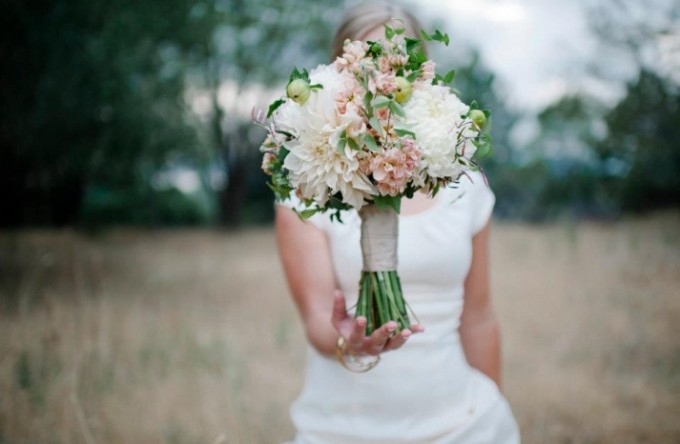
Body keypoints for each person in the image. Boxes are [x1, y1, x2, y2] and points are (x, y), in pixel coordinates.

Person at [275, 2, 520, 443]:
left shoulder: (464, 184)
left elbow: (479, 317)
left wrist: (492, 412)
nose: (381, 84)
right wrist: (351, 342)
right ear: (335, 76)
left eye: (397, 67)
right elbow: (316, 321)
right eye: (365, 66)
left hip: (461, 425)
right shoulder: (304, 188)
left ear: (421, 78)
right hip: (343, 428)